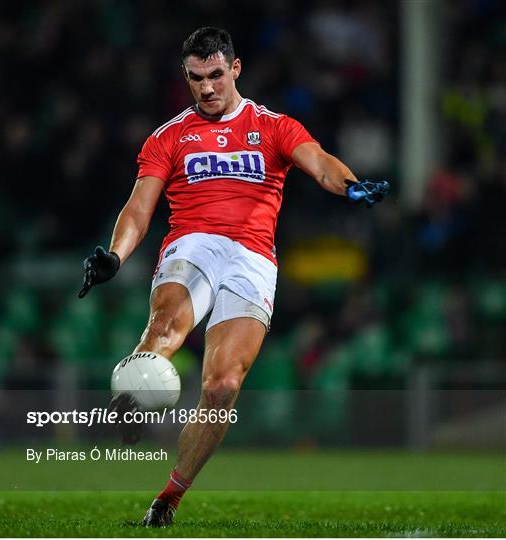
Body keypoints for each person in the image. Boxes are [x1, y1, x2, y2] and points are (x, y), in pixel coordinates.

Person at [78, 27, 389, 527]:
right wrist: (116, 256)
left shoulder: (273, 126)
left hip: (253, 258)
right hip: (193, 243)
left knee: (222, 386)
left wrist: (350, 186)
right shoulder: (169, 136)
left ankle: (169, 497)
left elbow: (321, 164)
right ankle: (136, 400)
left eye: (216, 75)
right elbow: (139, 206)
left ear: (235, 69)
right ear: (186, 76)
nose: (206, 88)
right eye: (196, 78)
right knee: (166, 328)